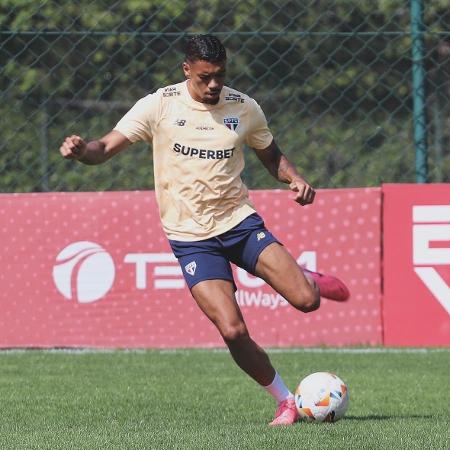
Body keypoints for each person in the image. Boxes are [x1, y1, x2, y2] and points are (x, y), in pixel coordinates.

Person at [60, 34, 349, 426]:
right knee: (231, 330)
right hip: (191, 239)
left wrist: (294, 178)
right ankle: (285, 401)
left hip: (240, 224)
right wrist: (82, 152)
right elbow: (105, 148)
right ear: (187, 70)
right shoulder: (158, 105)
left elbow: (271, 155)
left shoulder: (244, 107)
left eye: (220, 76)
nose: (214, 85)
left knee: (306, 302)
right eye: (205, 77)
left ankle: (305, 280)